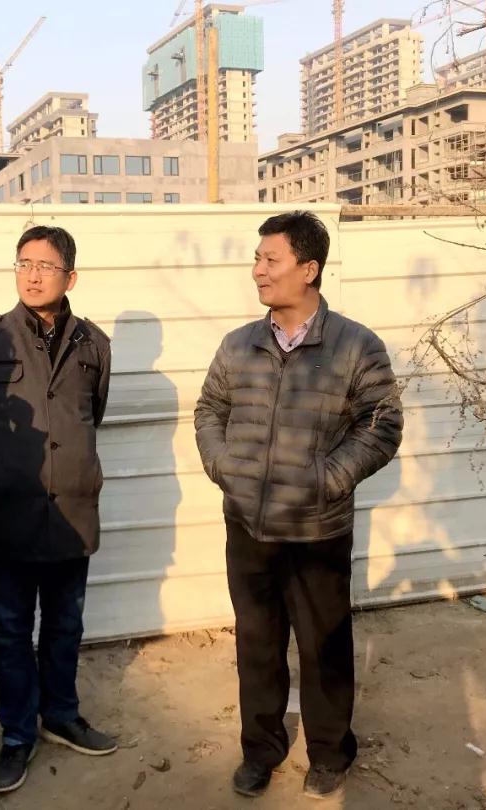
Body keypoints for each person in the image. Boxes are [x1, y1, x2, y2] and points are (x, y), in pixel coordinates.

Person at [194, 211, 403, 800]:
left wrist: (325, 479)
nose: (258, 271)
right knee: (257, 646)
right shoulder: (239, 345)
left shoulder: (355, 345)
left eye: (271, 259)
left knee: (323, 647)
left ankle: (330, 752)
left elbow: (382, 425)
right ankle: (261, 749)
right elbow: (209, 410)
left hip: (317, 531)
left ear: (308, 269)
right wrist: (225, 467)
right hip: (248, 527)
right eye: (257, 259)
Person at [0, 225, 116, 794]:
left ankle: (61, 715)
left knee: (66, 624)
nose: (32, 274)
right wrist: (15, 465)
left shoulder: (94, 344)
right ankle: (17, 735)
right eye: (24, 263)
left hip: (72, 513)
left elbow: (92, 413)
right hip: (9, 514)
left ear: (70, 277)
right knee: (11, 629)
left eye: (45, 265)